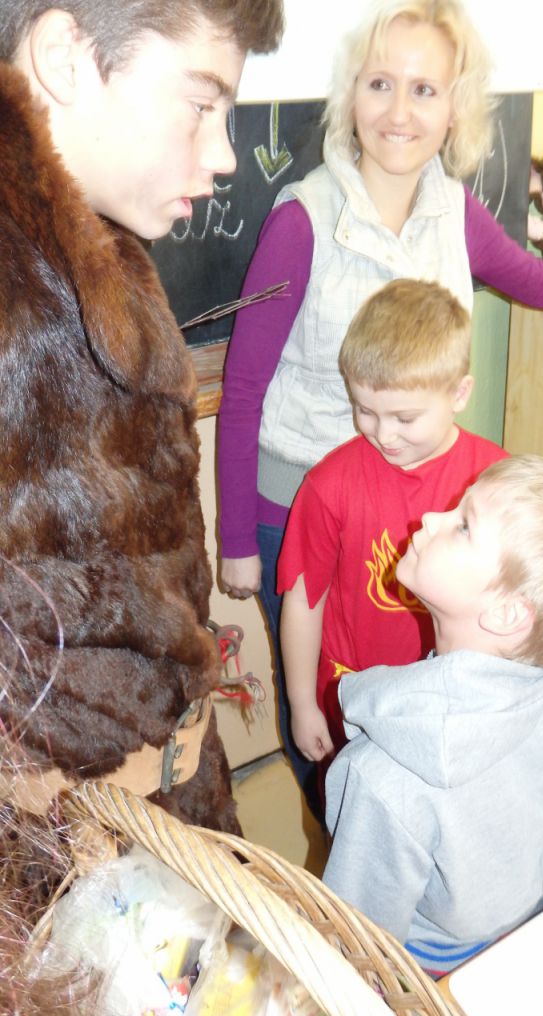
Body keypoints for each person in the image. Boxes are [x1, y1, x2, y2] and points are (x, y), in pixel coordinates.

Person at [216, 0, 543, 801]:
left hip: (423, 503)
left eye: (424, 90)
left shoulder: (454, 209)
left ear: (455, 107)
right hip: (304, 503)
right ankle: (343, 835)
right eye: (379, 84)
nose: (398, 111)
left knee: (414, 686)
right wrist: (235, 538)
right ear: (351, 94)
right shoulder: (303, 221)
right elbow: (245, 382)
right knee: (320, 701)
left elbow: (530, 277)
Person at [0, 0, 283, 831]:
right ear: (66, 55)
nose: (223, 154)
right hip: (67, 857)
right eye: (201, 104)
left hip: (164, 815)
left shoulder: (102, 249)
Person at [322, 455, 543, 977]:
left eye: (463, 525)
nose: (430, 519)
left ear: (507, 613)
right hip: (517, 929)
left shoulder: (385, 777)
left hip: (425, 972)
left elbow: (353, 950)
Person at [278, 279, 506, 780]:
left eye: (405, 417)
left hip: (449, 704)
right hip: (351, 703)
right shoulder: (328, 485)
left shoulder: (495, 480)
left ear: (459, 393)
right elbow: (303, 602)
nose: (383, 434)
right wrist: (302, 703)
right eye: (365, 410)